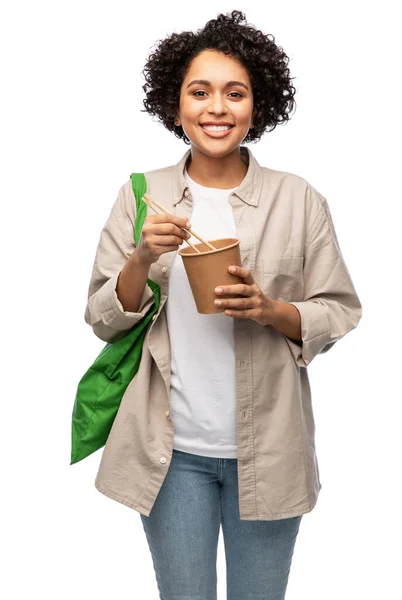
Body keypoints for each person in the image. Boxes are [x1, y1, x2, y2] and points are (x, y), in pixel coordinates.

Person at [84, 10, 362, 600]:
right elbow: (104, 319)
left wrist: (269, 309)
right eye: (200, 91)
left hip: (271, 448)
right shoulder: (143, 195)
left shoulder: (299, 198)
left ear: (257, 105)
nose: (217, 108)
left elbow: (338, 309)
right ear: (175, 102)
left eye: (235, 93)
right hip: (171, 454)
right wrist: (139, 259)